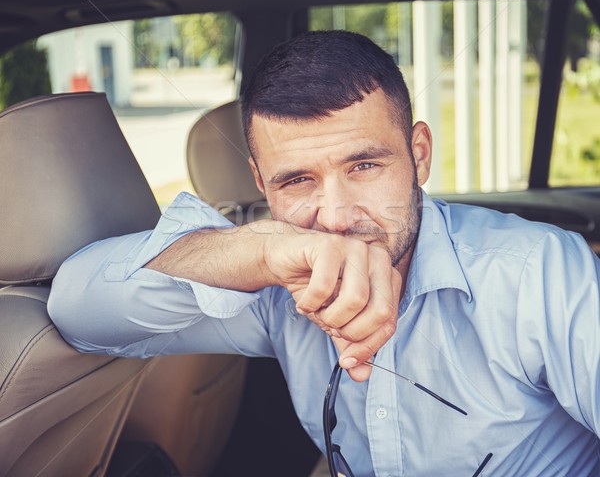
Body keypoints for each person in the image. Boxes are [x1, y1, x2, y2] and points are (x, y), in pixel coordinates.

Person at [48, 30, 600, 476]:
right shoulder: (271, 286)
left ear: (420, 155)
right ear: (262, 183)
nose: (334, 217)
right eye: (296, 181)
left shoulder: (537, 273)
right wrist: (253, 255)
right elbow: (77, 307)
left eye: (364, 166)